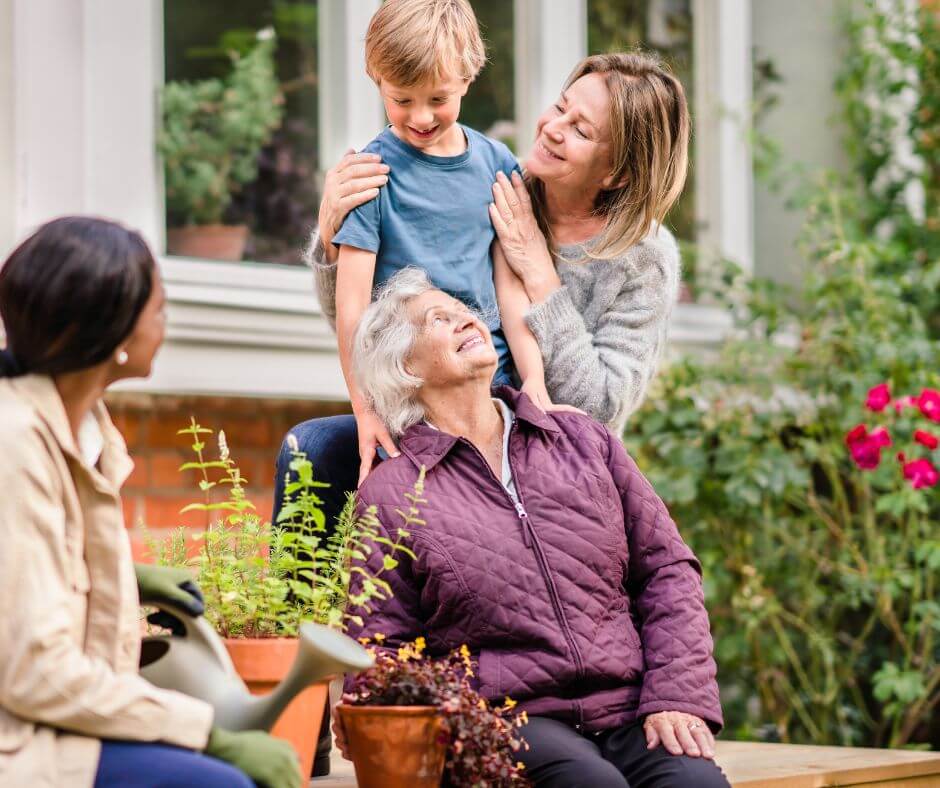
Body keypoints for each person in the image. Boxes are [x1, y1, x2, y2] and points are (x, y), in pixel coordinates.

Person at [333, 268, 729, 788]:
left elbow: (667, 570)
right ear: (404, 366)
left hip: (631, 707)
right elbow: (379, 643)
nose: (464, 320)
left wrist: (676, 695)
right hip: (507, 719)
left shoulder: (584, 440)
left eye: (462, 310)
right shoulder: (393, 494)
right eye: (437, 319)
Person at [0, 216, 302, 788]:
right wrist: (206, 733)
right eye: (158, 308)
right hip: (22, 741)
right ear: (112, 332)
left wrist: (126, 576)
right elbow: (34, 672)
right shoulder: (14, 443)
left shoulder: (84, 425)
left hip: (59, 722)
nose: (166, 322)